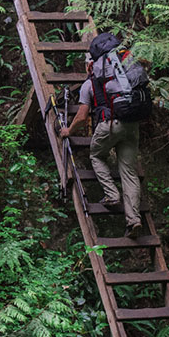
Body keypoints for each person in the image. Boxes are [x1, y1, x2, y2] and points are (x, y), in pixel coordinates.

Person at [59, 51, 144, 238]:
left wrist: (68, 131)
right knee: (129, 173)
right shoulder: (124, 79)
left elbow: (82, 117)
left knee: (96, 155)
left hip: (110, 125)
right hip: (132, 125)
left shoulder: (90, 83)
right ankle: (134, 220)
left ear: (90, 65)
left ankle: (112, 194)